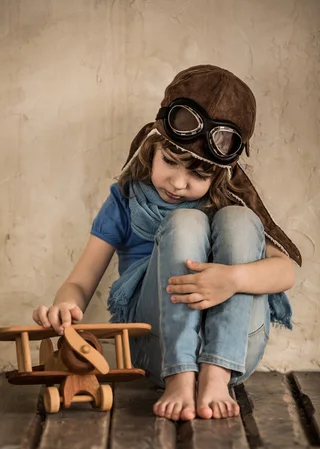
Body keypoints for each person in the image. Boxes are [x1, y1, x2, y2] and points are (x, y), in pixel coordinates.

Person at [33, 65, 301, 421]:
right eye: (170, 162)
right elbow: (81, 281)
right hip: (155, 349)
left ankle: (215, 375)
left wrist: (231, 279)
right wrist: (63, 307)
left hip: (237, 351)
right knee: (186, 221)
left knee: (240, 220)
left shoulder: (226, 200)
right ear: (153, 145)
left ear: (220, 172)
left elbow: (286, 272)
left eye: (198, 174)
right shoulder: (125, 199)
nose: (177, 183)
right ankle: (179, 376)